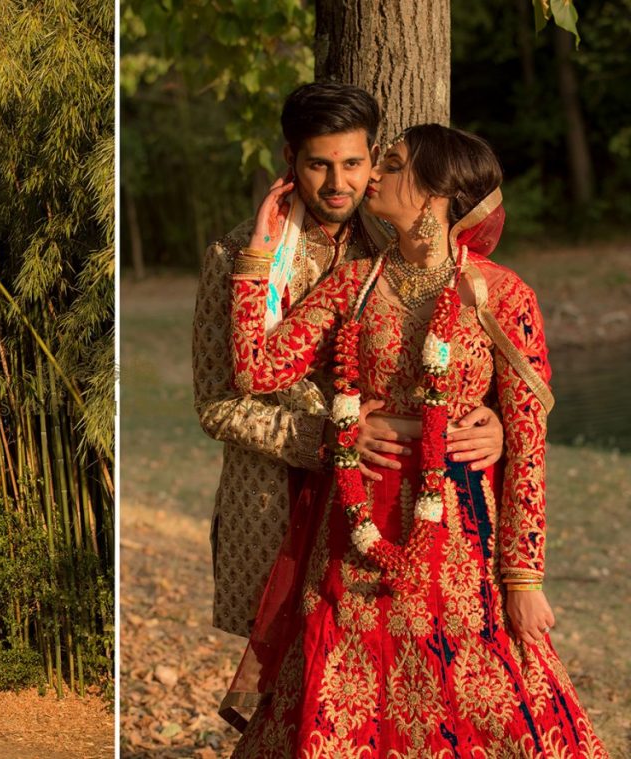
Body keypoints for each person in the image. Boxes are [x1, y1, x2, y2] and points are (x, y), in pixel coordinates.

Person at [221, 124, 609, 756]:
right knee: (343, 687)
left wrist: (524, 577)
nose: (373, 175)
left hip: (460, 526)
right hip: (354, 520)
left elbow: (530, 446)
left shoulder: (502, 295)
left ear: (436, 193)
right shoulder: (352, 286)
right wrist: (259, 254)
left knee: (488, 696)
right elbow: (255, 370)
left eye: (392, 165)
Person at [193, 82, 504, 638]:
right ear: (290, 159)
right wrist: (329, 437)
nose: (339, 184)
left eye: (355, 163)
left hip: (390, 499)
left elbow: (465, 349)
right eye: (318, 165)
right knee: (287, 692)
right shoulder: (240, 257)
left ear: (373, 159)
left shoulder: (397, 244)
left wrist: (494, 420)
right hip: (273, 500)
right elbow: (218, 404)